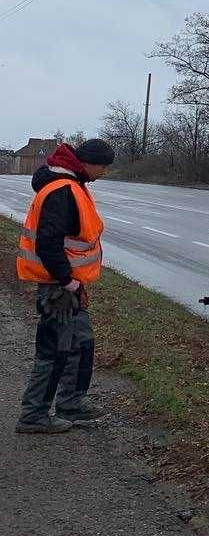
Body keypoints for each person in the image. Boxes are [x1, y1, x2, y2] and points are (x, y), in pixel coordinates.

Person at [14, 138, 114, 435]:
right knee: (54, 350)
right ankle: (34, 415)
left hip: (68, 284)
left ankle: (70, 403)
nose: (104, 173)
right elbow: (48, 243)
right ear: (88, 163)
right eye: (103, 166)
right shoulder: (62, 190)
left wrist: (74, 283)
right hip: (58, 286)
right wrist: (67, 281)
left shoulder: (72, 185)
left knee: (80, 344)